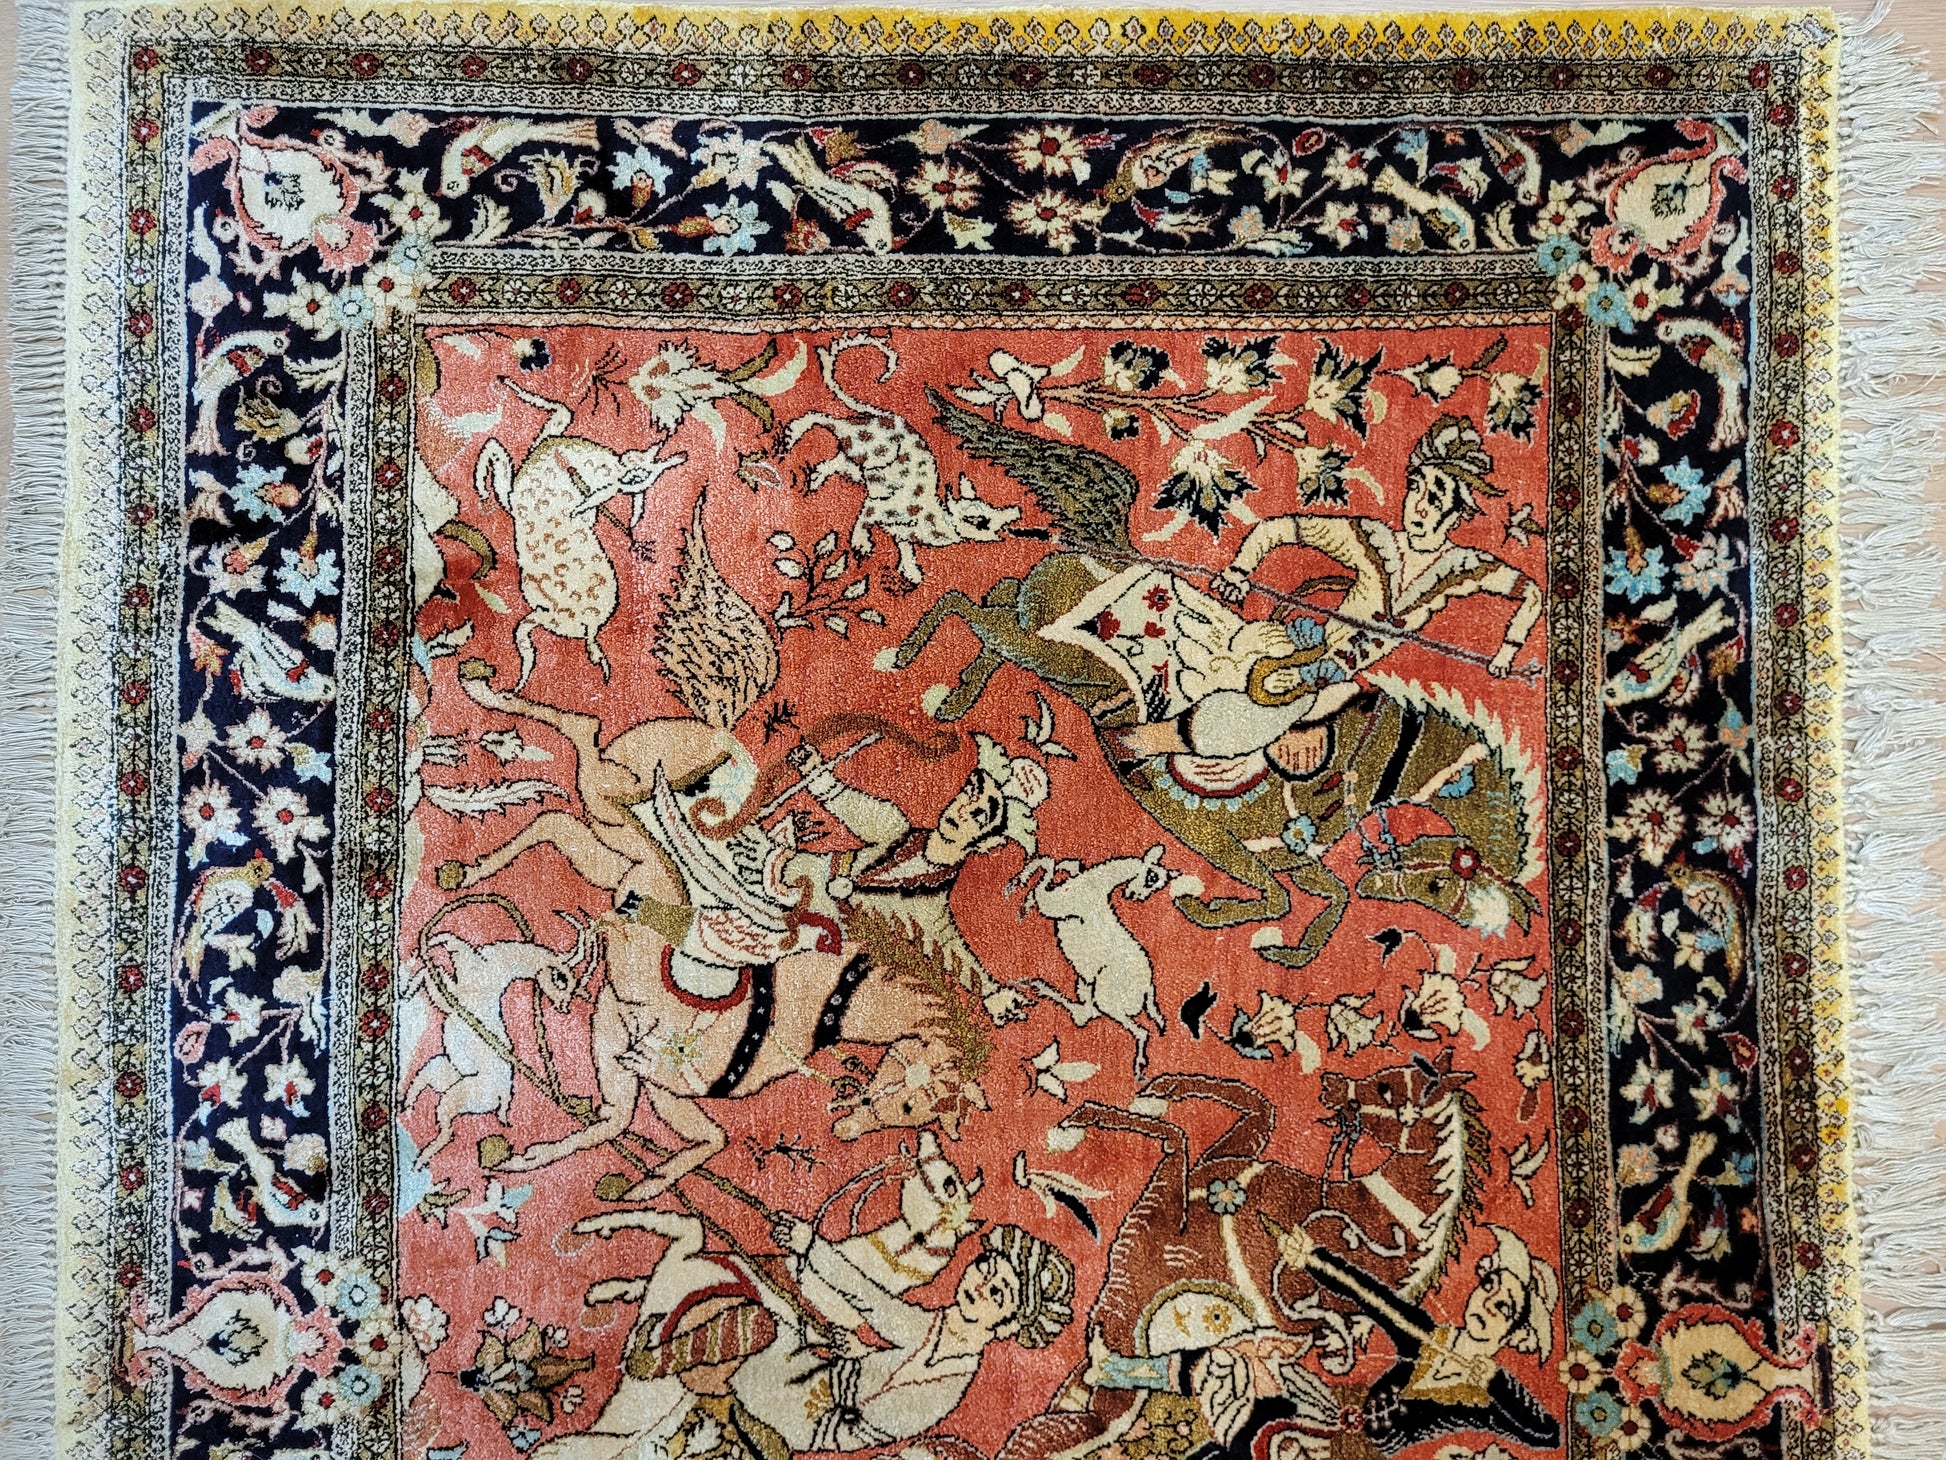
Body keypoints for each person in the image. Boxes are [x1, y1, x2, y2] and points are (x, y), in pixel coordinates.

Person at [1105, 415, 1541, 778]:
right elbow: (1277, 529)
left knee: (1283, 709)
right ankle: (1137, 740)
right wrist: (1239, 571)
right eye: (1417, 488)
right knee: (1252, 699)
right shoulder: (1371, 540)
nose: (1420, 506)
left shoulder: (1461, 569)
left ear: (1457, 513)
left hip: (1334, 675)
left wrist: (1508, 650)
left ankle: (1141, 739)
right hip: (1306, 649)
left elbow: (1532, 596)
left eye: (1437, 497)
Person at [1088, 1224, 1560, 1459]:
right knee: (1232, 1359)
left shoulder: (1482, 1398)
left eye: (1503, 1308)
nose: (1487, 1304)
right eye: (1489, 1287)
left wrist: (1496, 1382)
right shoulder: (1425, 1336)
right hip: (1327, 1409)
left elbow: (1547, 1435)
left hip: (1348, 1454)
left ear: (1514, 1333)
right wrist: (1313, 1259)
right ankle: (1114, 1370)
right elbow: (1369, 1296)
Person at [733, 1219, 1077, 1451]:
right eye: (984, 1268)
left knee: (758, 1334)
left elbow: (875, 1418)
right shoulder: (935, 1327)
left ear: (1008, 1325)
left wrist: (860, 1362)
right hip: (816, 1378)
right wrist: (811, 1246)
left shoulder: (950, 1381)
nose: (981, 1285)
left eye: (998, 1293)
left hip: (809, 1418)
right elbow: (872, 1302)